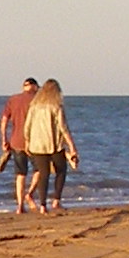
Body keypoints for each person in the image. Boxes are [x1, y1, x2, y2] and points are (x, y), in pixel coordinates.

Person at [21, 79, 78, 212]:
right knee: (61, 171)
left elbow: (27, 126)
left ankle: (42, 205)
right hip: (54, 144)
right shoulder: (56, 106)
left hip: (37, 145)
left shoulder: (34, 106)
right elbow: (63, 128)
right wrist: (72, 146)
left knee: (43, 174)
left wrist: (27, 142)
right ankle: (56, 200)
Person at [0, 77, 40, 211]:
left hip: (16, 141)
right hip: (34, 142)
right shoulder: (38, 100)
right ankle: (30, 194)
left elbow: (4, 120)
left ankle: (20, 205)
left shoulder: (13, 100)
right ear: (34, 87)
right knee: (40, 170)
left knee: (20, 174)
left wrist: (4, 139)